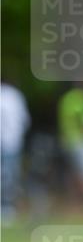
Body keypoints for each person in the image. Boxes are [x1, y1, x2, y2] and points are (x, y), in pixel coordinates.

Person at [0, 81, 30, 223]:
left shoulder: (12, 96)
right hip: (13, 141)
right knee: (9, 176)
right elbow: (25, 121)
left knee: (8, 176)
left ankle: (7, 206)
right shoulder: (15, 95)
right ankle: (7, 206)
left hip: (10, 141)